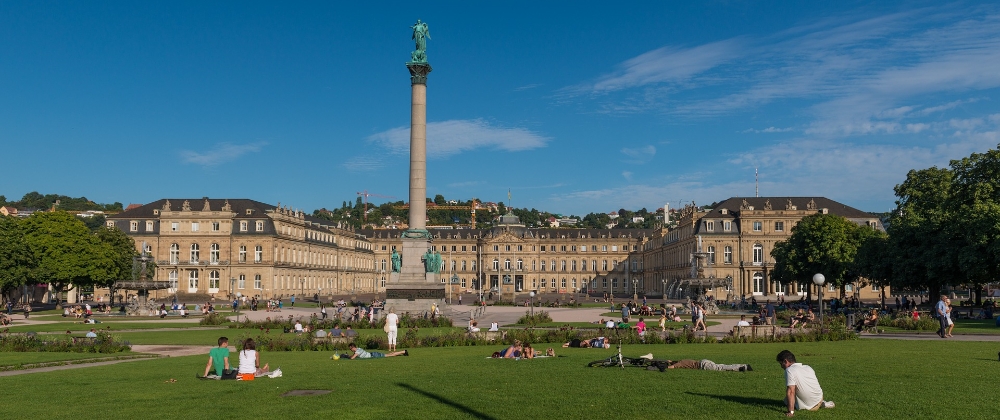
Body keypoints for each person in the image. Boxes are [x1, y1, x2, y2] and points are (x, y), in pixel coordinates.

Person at [777, 350, 834, 416]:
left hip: (810, 407)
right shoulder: (808, 367)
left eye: (781, 364)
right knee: (786, 400)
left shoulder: (789, 370)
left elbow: (791, 391)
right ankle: (822, 403)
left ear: (785, 361)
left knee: (788, 398)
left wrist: (791, 412)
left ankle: (818, 404)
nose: (781, 367)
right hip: (819, 398)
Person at [663, 358, 752, 372]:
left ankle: (742, 367)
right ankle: (742, 365)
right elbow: (671, 361)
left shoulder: (680, 363)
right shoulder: (682, 360)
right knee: (721, 365)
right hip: (704, 361)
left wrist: (664, 367)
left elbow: (672, 366)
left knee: (720, 368)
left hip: (703, 365)